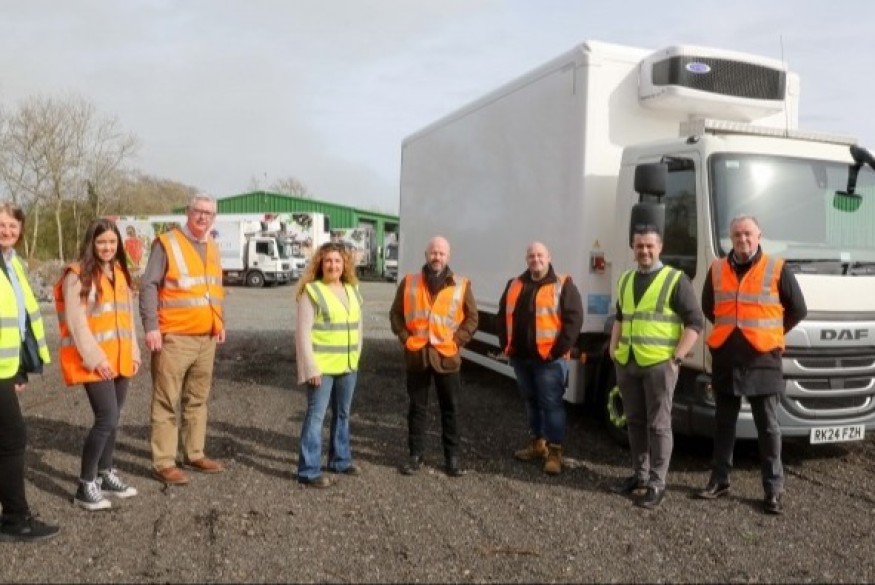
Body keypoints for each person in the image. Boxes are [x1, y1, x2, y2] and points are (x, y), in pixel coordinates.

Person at [697, 215, 807, 515]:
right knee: (724, 424)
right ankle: (719, 480)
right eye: (737, 235)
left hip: (763, 360)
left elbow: (798, 309)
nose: (742, 239)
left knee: (768, 427)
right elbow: (708, 307)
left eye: (748, 234)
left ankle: (773, 490)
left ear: (759, 235)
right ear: (730, 238)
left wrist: (772, 333)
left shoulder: (777, 268)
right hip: (726, 358)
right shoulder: (717, 269)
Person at [608, 227, 703, 508]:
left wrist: (677, 357)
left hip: (660, 364)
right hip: (628, 361)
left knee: (659, 425)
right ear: (633, 249)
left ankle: (657, 483)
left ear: (660, 248)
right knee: (634, 421)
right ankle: (640, 475)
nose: (644, 251)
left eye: (649, 246)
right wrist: (613, 348)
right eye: (639, 246)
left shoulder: (675, 279)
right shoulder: (626, 279)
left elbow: (695, 322)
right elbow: (621, 317)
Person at [54, 219, 141, 511]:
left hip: (121, 358)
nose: (107, 247)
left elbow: (127, 319)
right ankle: (85, 484)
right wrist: (96, 359)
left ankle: (105, 474)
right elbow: (76, 323)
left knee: (114, 419)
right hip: (96, 362)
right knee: (106, 418)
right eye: (101, 242)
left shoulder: (120, 273)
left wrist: (134, 352)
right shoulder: (77, 275)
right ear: (91, 243)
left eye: (112, 242)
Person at [140, 194, 226, 485]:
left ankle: (194, 453)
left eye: (209, 213)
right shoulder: (167, 243)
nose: (203, 217)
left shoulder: (212, 246)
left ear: (214, 218)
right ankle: (164, 462)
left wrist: (219, 322)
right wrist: (151, 327)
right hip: (174, 338)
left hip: (206, 338)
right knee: (166, 401)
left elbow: (214, 289)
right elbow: (149, 286)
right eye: (198, 211)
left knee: (197, 400)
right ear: (188, 212)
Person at [389, 236, 478, 477]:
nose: (436, 257)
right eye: (433, 252)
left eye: (441, 253)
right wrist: (405, 338)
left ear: (448, 256)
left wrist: (457, 340)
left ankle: (452, 459)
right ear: (426, 255)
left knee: (451, 409)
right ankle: (415, 456)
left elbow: (472, 318)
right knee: (417, 408)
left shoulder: (461, 284)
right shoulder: (409, 282)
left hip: (447, 357)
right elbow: (395, 314)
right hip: (417, 355)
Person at [497, 242, 583, 476]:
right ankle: (538, 444)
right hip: (521, 358)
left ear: (549, 257)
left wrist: (557, 351)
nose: (536, 259)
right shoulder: (514, 284)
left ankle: (555, 452)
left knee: (551, 404)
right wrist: (505, 344)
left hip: (549, 361)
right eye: (531, 256)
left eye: (540, 255)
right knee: (531, 402)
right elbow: (502, 315)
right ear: (526, 259)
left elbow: (574, 320)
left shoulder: (563, 284)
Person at [0, 202, 60, 541]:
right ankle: (15, 519)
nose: (7, 230)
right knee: (12, 439)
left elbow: (20, 320)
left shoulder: (14, 264)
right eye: (1, 224)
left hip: (6, 367)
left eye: (13, 226)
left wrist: (20, 368)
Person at [294, 242, 364, 488]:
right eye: (328, 261)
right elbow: (303, 334)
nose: (333, 265)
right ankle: (308, 470)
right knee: (316, 417)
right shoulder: (311, 292)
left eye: (337, 261)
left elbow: (358, 327)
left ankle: (340, 460)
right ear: (320, 265)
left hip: (347, 365)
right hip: (322, 368)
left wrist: (356, 356)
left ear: (345, 264)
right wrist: (310, 367)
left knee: (343, 414)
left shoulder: (352, 290)